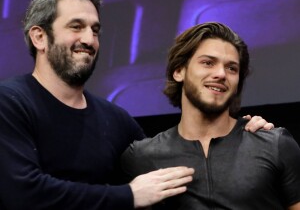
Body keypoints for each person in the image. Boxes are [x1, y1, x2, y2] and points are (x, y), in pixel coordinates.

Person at [0, 0, 272, 210]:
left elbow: (172, 169)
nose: (89, 39)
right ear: (39, 37)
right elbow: (22, 194)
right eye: (76, 26)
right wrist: (128, 195)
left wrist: (240, 136)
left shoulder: (116, 120)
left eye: (95, 30)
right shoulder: (10, 103)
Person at [121, 22, 300, 209]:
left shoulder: (275, 144)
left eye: (232, 68)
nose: (221, 74)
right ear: (179, 71)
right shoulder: (140, 157)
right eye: (208, 63)